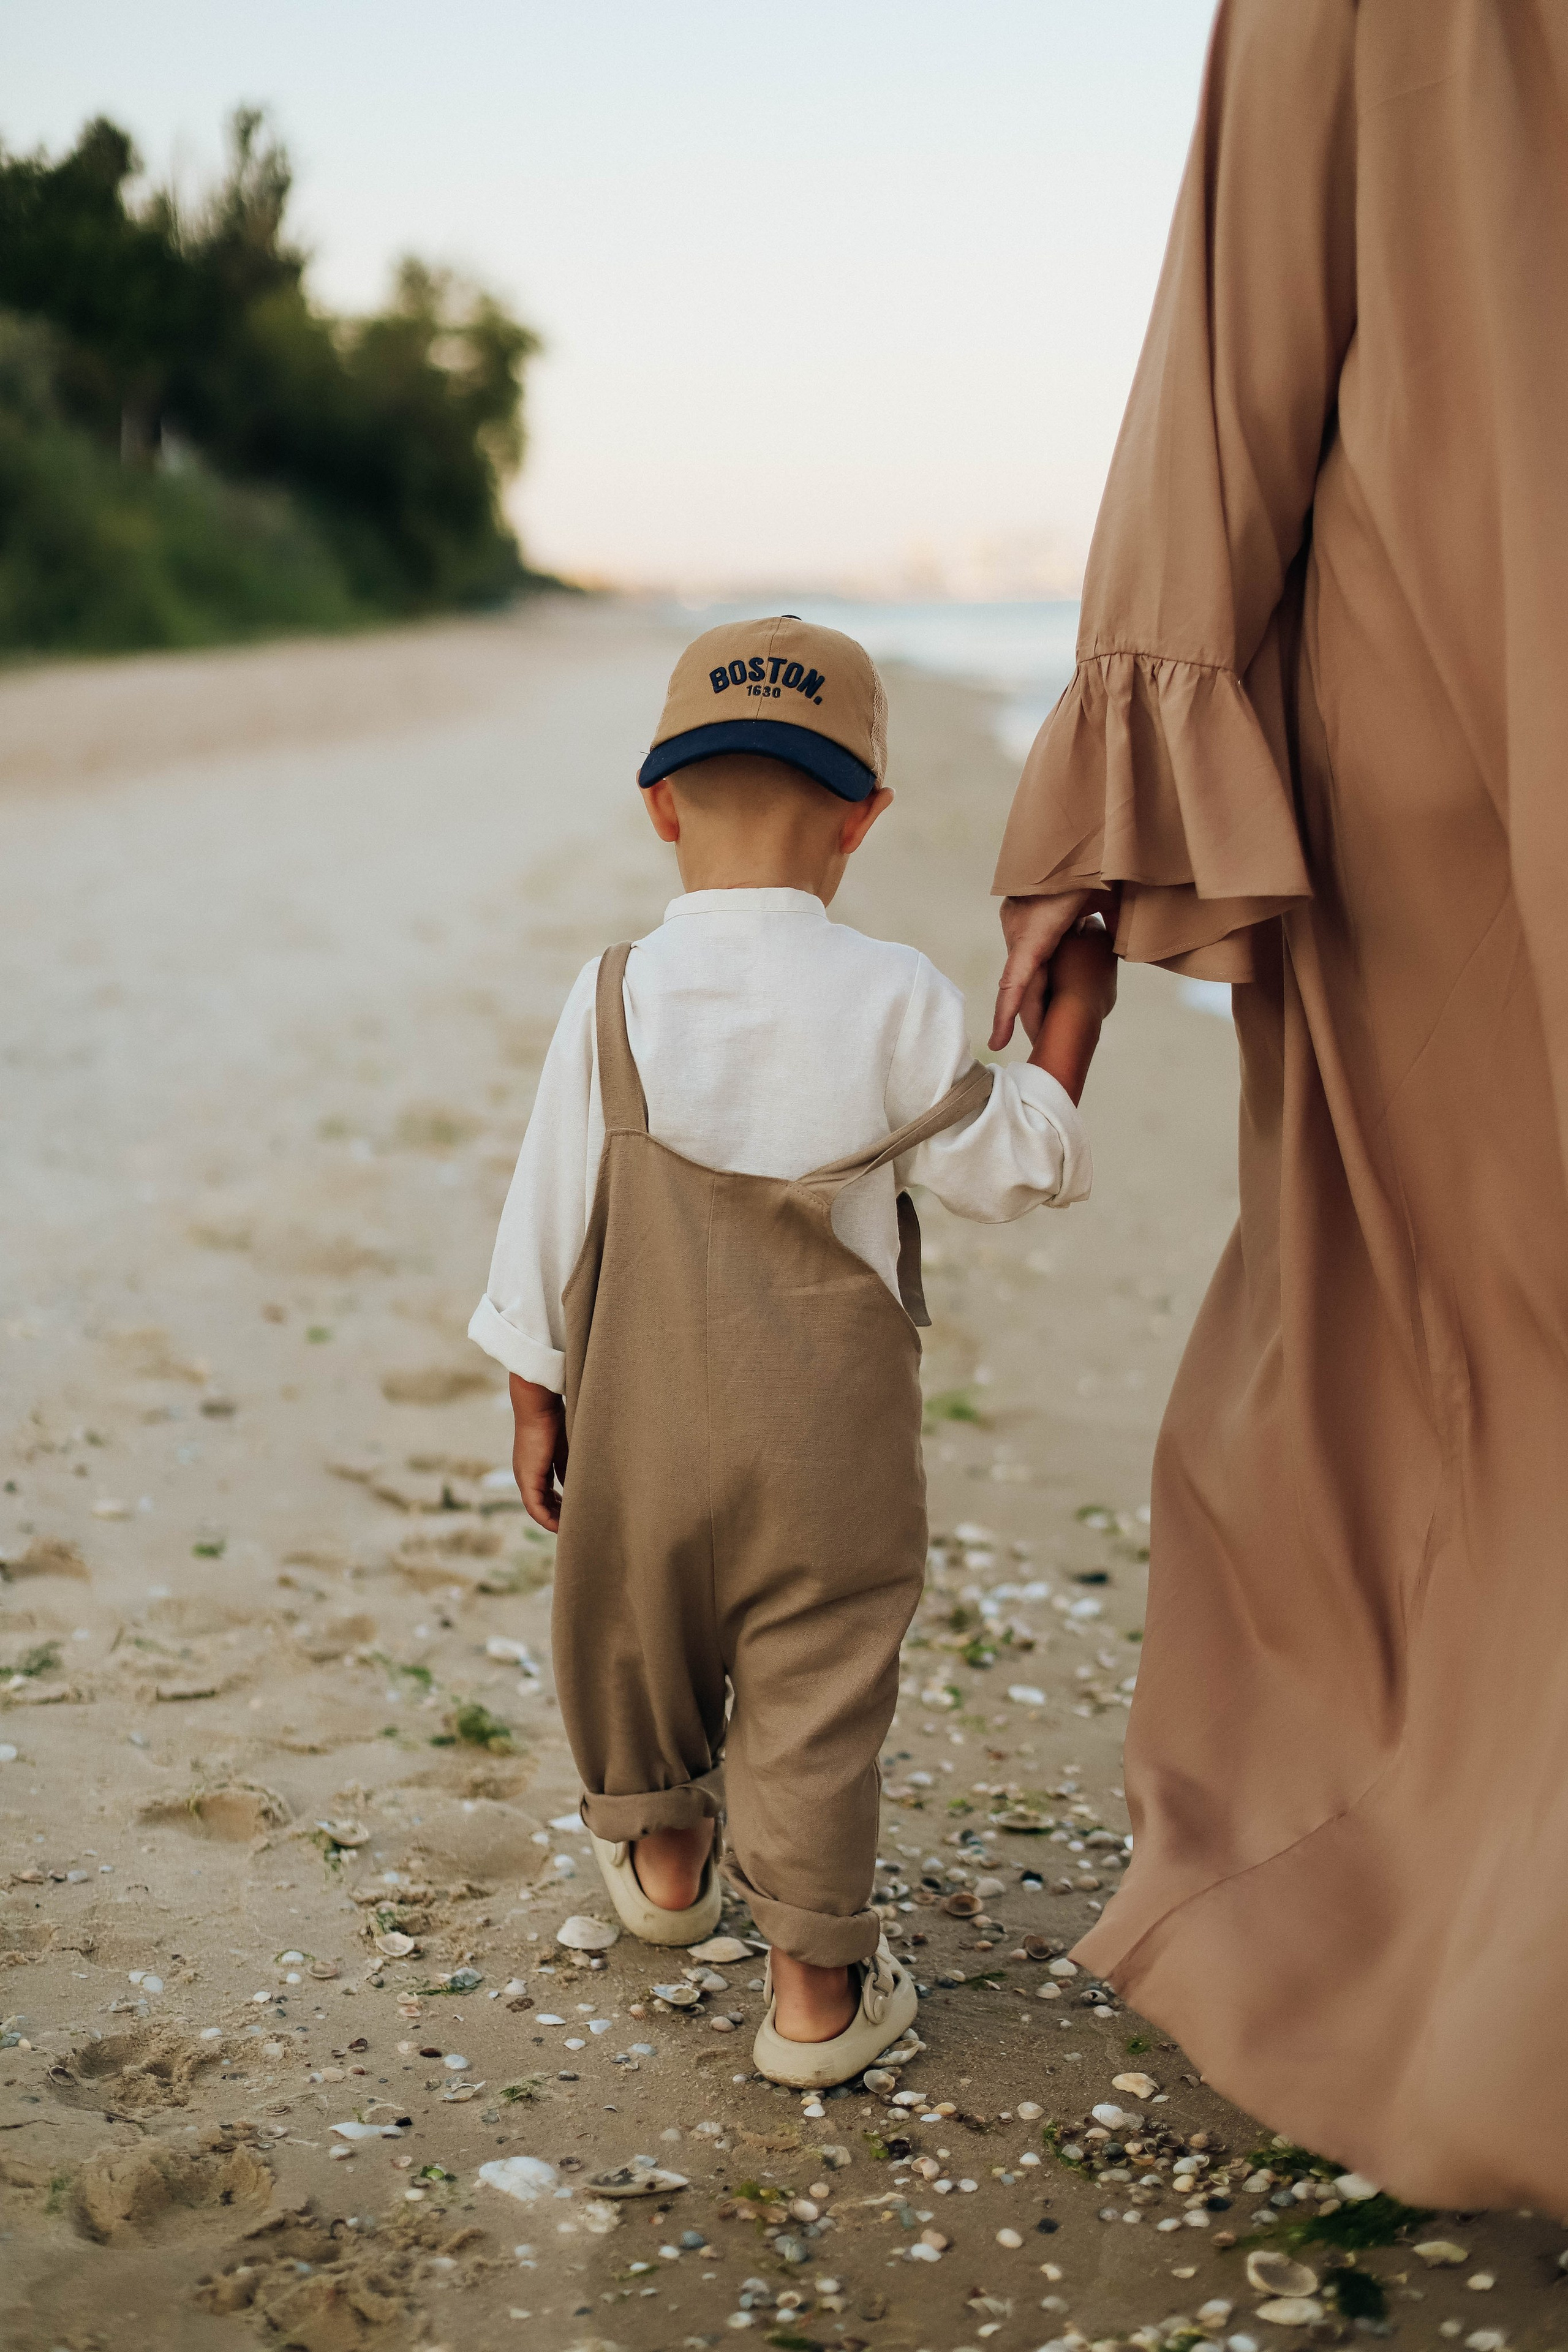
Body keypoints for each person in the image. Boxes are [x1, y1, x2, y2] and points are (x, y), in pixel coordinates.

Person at [989, 0, 1568, 2208]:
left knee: (1485, 1377)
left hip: (1458, 692)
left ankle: (1473, 1974)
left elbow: (1249, 317)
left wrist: (1099, 824)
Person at [470, 615, 1113, 2087]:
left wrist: (531, 1394)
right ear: (861, 819)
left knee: (633, 1642)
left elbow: (545, 1214)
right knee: (817, 1698)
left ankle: (671, 1863)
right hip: (831, 1446)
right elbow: (1012, 1164)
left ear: (660, 805)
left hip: (641, 1416)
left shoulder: (613, 990)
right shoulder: (890, 993)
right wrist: (1072, 1025)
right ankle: (815, 1996)